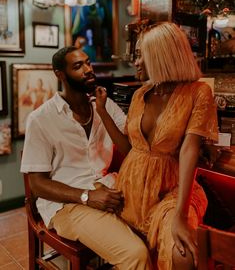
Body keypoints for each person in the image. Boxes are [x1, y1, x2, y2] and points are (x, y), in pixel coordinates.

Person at [95, 22, 218, 270]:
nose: (136, 62)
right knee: (134, 256)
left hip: (171, 191)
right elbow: (131, 148)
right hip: (130, 191)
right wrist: (102, 112)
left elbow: (189, 149)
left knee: (182, 256)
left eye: (142, 56)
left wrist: (181, 216)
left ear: (161, 57)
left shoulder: (198, 92)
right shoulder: (140, 94)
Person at [20, 46, 152, 270]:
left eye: (88, 63)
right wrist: (86, 196)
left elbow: (130, 150)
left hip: (111, 188)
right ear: (60, 74)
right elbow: (37, 184)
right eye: (78, 66)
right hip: (67, 205)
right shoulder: (41, 119)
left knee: (158, 233)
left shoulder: (106, 104)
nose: (88, 69)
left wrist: (102, 112)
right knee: (135, 254)